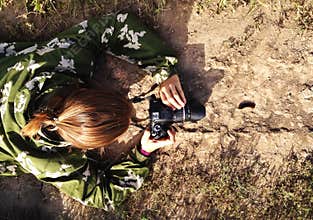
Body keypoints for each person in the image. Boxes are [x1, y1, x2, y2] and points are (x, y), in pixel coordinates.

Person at [0, 13, 186, 210]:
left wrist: (165, 71)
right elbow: (105, 196)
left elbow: (114, 23)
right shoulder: (48, 161)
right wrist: (142, 152)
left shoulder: (57, 63)